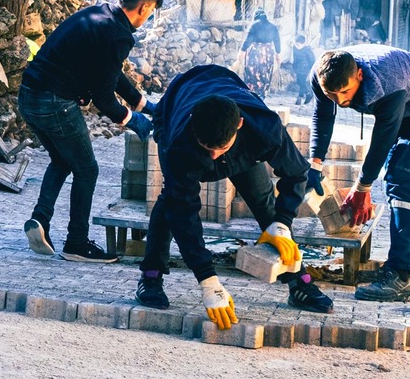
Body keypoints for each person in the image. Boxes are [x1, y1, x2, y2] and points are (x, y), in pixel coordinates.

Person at [133, 65, 333, 322]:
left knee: (265, 205)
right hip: (176, 103)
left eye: (221, 148)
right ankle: (151, 276)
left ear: (239, 124)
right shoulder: (180, 144)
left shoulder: (265, 128)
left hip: (238, 127)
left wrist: (282, 222)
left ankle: (299, 283)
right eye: (208, 149)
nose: (214, 157)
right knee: (171, 201)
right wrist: (207, 279)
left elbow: (296, 173)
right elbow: (184, 213)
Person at [15, 0, 163, 262]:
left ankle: (40, 221)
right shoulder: (118, 35)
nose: (150, 16)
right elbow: (104, 98)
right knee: (87, 170)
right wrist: (134, 121)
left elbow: (111, 73)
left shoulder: (100, 14)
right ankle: (77, 243)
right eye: (153, 10)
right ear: (144, 8)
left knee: (62, 160)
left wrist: (144, 105)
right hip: (55, 103)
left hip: (28, 96)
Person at [310, 45, 410, 302]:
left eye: (345, 92)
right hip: (408, 106)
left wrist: (361, 188)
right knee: (400, 179)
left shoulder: (387, 83)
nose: (341, 101)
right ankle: (407, 266)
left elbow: (382, 140)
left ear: (359, 76)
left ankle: (399, 275)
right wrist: (314, 165)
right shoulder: (320, 73)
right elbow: (323, 116)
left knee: (401, 177)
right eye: (332, 94)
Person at [240, 10, 280, 96]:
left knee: (252, 71)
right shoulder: (273, 26)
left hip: (255, 51)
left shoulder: (254, 25)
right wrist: (278, 53)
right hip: (268, 52)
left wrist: (242, 51)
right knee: (265, 72)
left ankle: (253, 92)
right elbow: (277, 41)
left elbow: (248, 39)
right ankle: (262, 93)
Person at [290, 34, 317, 105]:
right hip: (298, 68)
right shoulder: (294, 48)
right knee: (299, 82)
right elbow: (295, 59)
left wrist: (312, 69)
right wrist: (293, 68)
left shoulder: (307, 50)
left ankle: (300, 97)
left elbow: (312, 60)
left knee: (301, 82)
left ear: (303, 44)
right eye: (296, 44)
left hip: (305, 68)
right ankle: (307, 95)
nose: (297, 46)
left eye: (299, 45)